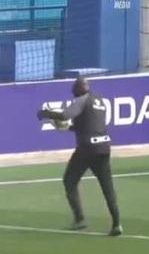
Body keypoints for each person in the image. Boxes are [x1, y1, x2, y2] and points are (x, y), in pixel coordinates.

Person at [36, 76, 122, 236]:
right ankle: (117, 223)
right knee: (107, 186)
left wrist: (46, 113)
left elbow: (65, 115)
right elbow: (88, 125)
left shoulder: (82, 100)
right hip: (103, 147)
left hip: (87, 149)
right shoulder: (99, 101)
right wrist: (68, 129)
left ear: (78, 88)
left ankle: (79, 219)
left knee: (69, 180)